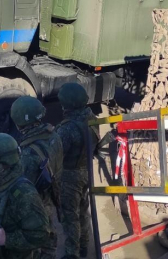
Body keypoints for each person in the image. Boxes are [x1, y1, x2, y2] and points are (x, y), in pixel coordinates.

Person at [9, 96, 63, 259]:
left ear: (18, 123)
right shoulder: (54, 135)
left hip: (37, 202)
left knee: (34, 240)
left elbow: (22, 188)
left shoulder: (28, 154)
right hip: (52, 193)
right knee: (49, 236)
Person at [55, 83, 100, 259]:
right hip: (86, 171)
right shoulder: (93, 118)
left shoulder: (65, 129)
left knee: (69, 216)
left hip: (69, 176)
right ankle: (84, 245)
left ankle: (71, 253)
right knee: (83, 210)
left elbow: (56, 156)